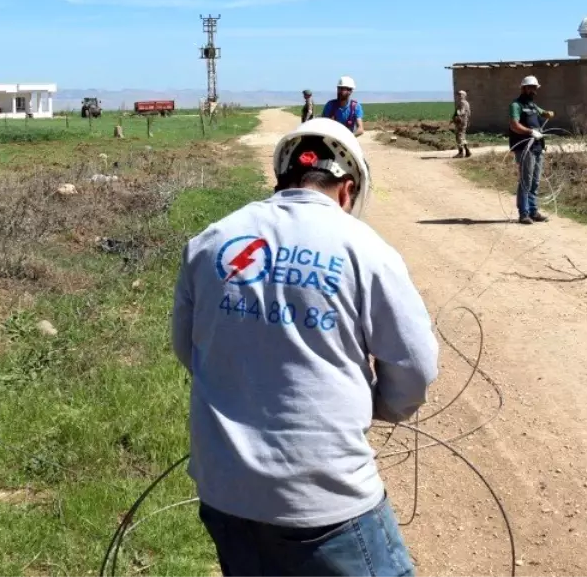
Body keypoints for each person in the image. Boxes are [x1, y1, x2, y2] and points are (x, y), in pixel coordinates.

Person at [172, 117, 439, 576]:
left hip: (224, 490)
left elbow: (187, 349)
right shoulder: (365, 249)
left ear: (283, 178)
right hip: (326, 501)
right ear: (346, 189)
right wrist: (386, 406)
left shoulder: (212, 241)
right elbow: (414, 365)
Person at [508, 75, 555, 225]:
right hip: (524, 148)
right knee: (525, 181)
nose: (534, 91)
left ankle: (533, 211)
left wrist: (547, 113)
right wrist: (530, 132)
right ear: (523, 88)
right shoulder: (516, 105)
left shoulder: (533, 105)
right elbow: (514, 125)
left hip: (537, 146)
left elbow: (542, 113)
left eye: (535, 88)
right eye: (531, 88)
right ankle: (524, 213)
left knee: (535, 181)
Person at [452, 90, 471, 158]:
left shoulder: (462, 103)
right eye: (458, 94)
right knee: (462, 136)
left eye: (461, 94)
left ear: (464, 95)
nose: (459, 96)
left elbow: (462, 111)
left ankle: (461, 153)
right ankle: (467, 151)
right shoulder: (467, 103)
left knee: (458, 137)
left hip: (460, 122)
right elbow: (469, 113)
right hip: (464, 121)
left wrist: (458, 115)